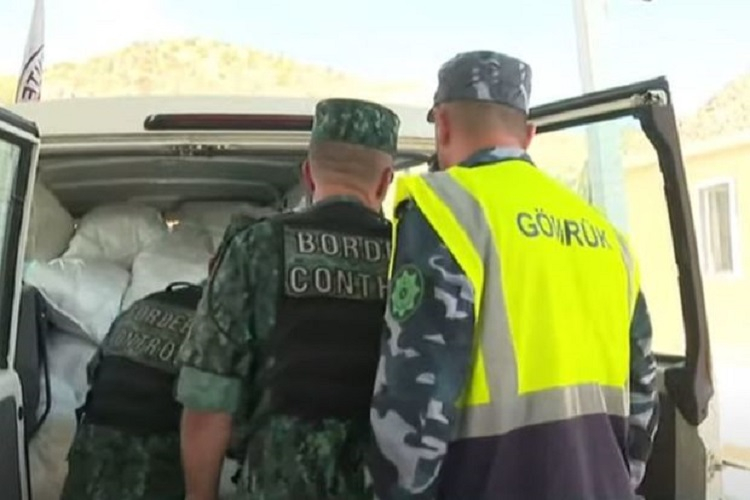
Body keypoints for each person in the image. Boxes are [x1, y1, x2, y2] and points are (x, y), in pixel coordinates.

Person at [368, 50, 659, 500]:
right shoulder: (606, 235)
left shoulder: (448, 210)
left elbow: (415, 408)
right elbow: (643, 393)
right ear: (529, 134)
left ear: (442, 125)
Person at [176, 97, 400, 500]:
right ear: (385, 182)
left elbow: (208, 395)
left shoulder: (255, 247)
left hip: (277, 484)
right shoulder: (411, 255)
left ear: (308, 175)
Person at [60, 282, 204, 500]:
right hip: (150, 467)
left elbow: (94, 372)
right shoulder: (219, 324)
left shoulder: (142, 305)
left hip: (89, 454)